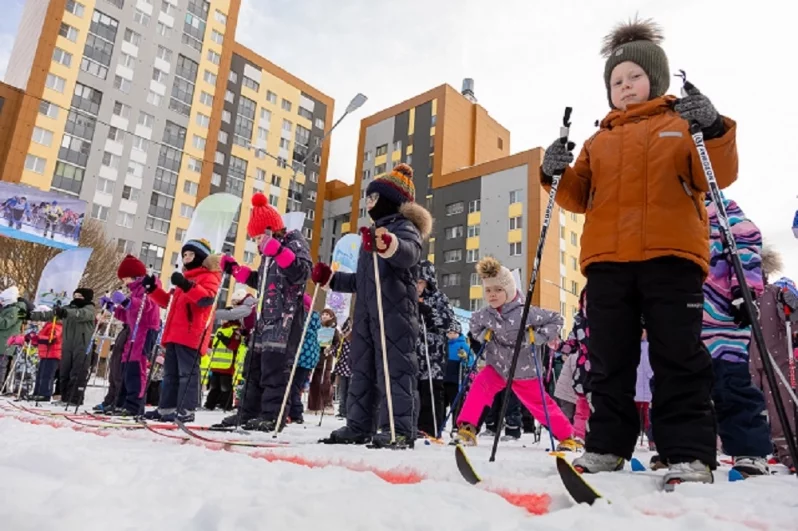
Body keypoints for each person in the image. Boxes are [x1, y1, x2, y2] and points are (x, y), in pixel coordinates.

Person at [542, 17, 738, 484]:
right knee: (609, 359)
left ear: (656, 79)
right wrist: (554, 171)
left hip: (671, 257)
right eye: (616, 81)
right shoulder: (598, 139)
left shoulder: (681, 122)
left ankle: (688, 452)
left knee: (678, 354)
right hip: (609, 262)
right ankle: (607, 447)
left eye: (634, 77)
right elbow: (576, 196)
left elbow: (719, 173)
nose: (625, 87)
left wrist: (711, 127)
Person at [313, 163, 432, 449]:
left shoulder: (406, 228)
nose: (369, 203)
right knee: (362, 369)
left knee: (395, 370)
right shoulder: (372, 233)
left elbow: (409, 255)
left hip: (395, 315)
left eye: (374, 198)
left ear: (392, 199)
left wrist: (389, 245)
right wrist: (332, 279)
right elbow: (363, 281)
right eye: (367, 198)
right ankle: (359, 424)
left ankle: (398, 428)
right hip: (365, 315)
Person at [454, 257, 578, 451]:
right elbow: (474, 324)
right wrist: (482, 335)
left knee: (540, 404)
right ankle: (468, 427)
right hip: (497, 366)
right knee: (480, 385)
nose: (492, 295)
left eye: (497, 290)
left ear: (509, 290)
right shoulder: (486, 314)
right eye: (488, 290)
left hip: (524, 369)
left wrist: (538, 337)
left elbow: (556, 319)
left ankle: (567, 436)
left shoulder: (526, 312)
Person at [216, 193, 312, 432]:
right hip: (265, 319)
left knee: (275, 370)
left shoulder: (294, 242)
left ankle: (272, 415)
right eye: (254, 239)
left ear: (272, 231)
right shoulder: (266, 256)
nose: (257, 243)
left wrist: (279, 252)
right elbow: (263, 282)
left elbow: (302, 273)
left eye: (259, 237)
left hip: (286, 320)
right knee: (253, 368)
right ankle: (247, 412)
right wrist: (237, 271)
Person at [698, 197, 772, 476]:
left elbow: (747, 239)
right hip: (684, 318)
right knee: (685, 386)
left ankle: (750, 450)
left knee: (732, 384)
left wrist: (745, 290)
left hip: (725, 319)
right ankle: (691, 450)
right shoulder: (669, 208)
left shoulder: (722, 208)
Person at [142, 239, 221, 423]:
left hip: (191, 333)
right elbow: (167, 303)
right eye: (184, 254)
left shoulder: (208, 276)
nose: (186, 258)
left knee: (187, 374)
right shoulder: (185, 278)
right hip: (173, 334)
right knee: (170, 374)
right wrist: (152, 289)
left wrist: (186, 285)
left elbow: (206, 300)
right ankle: (166, 408)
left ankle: (186, 409)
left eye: (191, 254)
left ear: (201, 257)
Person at [749, 249, 796, 472]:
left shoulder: (776, 293)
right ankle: (748, 451)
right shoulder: (740, 295)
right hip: (748, 360)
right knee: (748, 406)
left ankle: (788, 451)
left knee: (782, 409)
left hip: (777, 360)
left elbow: (793, 324)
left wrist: (793, 311)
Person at [108, 255, 162, 416]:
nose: (124, 283)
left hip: (145, 331)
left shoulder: (149, 287)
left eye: (124, 279)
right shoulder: (134, 291)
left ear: (133, 276)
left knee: (136, 368)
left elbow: (146, 306)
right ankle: (122, 401)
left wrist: (126, 302)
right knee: (125, 367)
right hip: (134, 331)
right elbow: (128, 315)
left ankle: (134, 405)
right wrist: (113, 308)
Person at [30, 288, 96, 406]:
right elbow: (50, 314)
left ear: (86, 298)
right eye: (75, 295)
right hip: (67, 344)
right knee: (64, 371)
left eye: (80, 296)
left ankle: (74, 398)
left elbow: (80, 315)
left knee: (77, 371)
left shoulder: (89, 309)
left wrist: (65, 313)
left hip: (82, 344)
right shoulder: (68, 308)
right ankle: (65, 397)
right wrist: (31, 315)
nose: (77, 298)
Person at [415, 260, 457, 438]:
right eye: (414, 281)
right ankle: (409, 426)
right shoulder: (404, 297)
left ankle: (431, 429)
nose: (417, 286)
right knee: (411, 392)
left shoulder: (439, 298)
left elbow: (452, 324)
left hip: (434, 357)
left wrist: (430, 313)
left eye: (420, 282)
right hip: (412, 356)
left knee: (431, 393)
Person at [204, 289, 255, 411]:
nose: (223, 320)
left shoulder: (234, 329)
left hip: (227, 365)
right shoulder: (221, 329)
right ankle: (210, 403)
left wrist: (224, 340)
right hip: (216, 364)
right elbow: (213, 344)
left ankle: (225, 404)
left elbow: (233, 345)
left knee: (225, 386)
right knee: (214, 385)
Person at [308, 308, 339, 413]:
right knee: (315, 381)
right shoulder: (317, 327)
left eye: (327, 314)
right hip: (316, 357)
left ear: (331, 317)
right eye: (323, 314)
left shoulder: (334, 330)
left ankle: (327, 404)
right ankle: (314, 406)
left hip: (327, 358)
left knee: (326, 382)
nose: (324, 316)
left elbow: (337, 343)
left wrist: (331, 349)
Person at [443, 324, 474, 423]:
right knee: (442, 402)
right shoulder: (444, 344)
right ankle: (440, 422)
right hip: (444, 376)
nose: (451, 335)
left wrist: (465, 358)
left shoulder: (463, 345)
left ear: (458, 333)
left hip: (456, 378)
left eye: (454, 333)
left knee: (455, 403)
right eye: (449, 333)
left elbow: (470, 360)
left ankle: (456, 423)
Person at [0, 286, 28, 387]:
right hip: (4, 341)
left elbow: (5, 324)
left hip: (5, 342)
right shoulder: (12, 309)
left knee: (2, 365)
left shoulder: (14, 310)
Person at [30, 312, 61, 401]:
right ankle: (37, 392)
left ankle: (45, 393)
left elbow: (53, 338)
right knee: (41, 374)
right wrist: (35, 339)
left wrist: (40, 339)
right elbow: (42, 336)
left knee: (47, 375)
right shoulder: (48, 325)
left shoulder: (57, 326)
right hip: (44, 353)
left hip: (52, 353)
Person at [333, 318, 353, 419]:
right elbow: (336, 351)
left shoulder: (355, 340)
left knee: (350, 391)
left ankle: (349, 411)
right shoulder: (342, 340)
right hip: (342, 368)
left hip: (352, 369)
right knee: (342, 390)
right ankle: (342, 410)